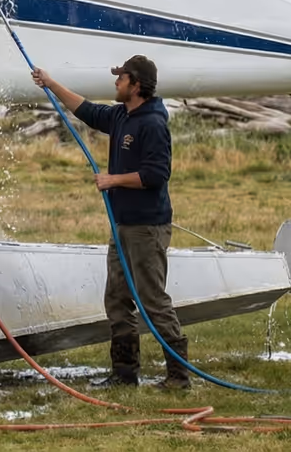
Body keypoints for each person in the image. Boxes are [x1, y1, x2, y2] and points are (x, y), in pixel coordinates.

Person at [31, 55, 188, 390]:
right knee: (116, 297)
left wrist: (113, 180)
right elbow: (87, 110)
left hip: (147, 227)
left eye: (121, 78)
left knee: (152, 299)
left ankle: (179, 376)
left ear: (137, 84)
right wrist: (51, 83)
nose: (116, 82)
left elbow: (157, 175)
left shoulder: (153, 123)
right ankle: (125, 373)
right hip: (122, 225)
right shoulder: (121, 115)